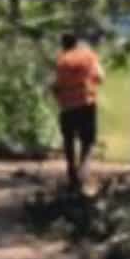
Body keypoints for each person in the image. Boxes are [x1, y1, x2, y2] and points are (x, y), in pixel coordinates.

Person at [49, 32, 105, 190]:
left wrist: (57, 94)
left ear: (63, 44)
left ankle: (71, 172)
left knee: (69, 139)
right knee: (88, 140)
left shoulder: (61, 61)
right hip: (86, 103)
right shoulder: (89, 56)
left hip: (67, 106)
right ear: (77, 43)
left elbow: (56, 85)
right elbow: (100, 77)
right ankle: (83, 170)